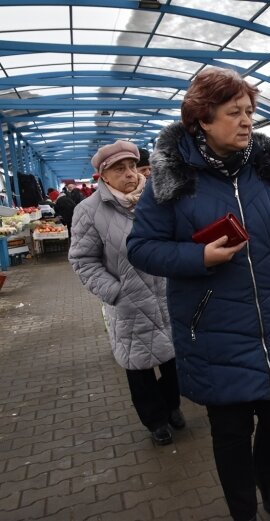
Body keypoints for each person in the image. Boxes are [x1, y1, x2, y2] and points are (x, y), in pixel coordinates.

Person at [126, 67, 270, 521]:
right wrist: (200, 259)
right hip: (212, 327)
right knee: (231, 431)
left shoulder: (265, 172)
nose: (246, 121)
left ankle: (267, 477)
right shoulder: (173, 180)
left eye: (250, 111)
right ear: (202, 119)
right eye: (233, 112)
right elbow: (140, 247)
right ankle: (244, 512)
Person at [68, 140, 183, 447]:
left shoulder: (157, 199)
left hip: (167, 296)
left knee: (174, 360)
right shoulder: (88, 211)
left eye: (132, 166)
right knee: (139, 367)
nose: (130, 173)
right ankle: (155, 420)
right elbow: (83, 260)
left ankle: (173, 406)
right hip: (129, 304)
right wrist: (114, 292)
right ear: (103, 176)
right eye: (120, 169)